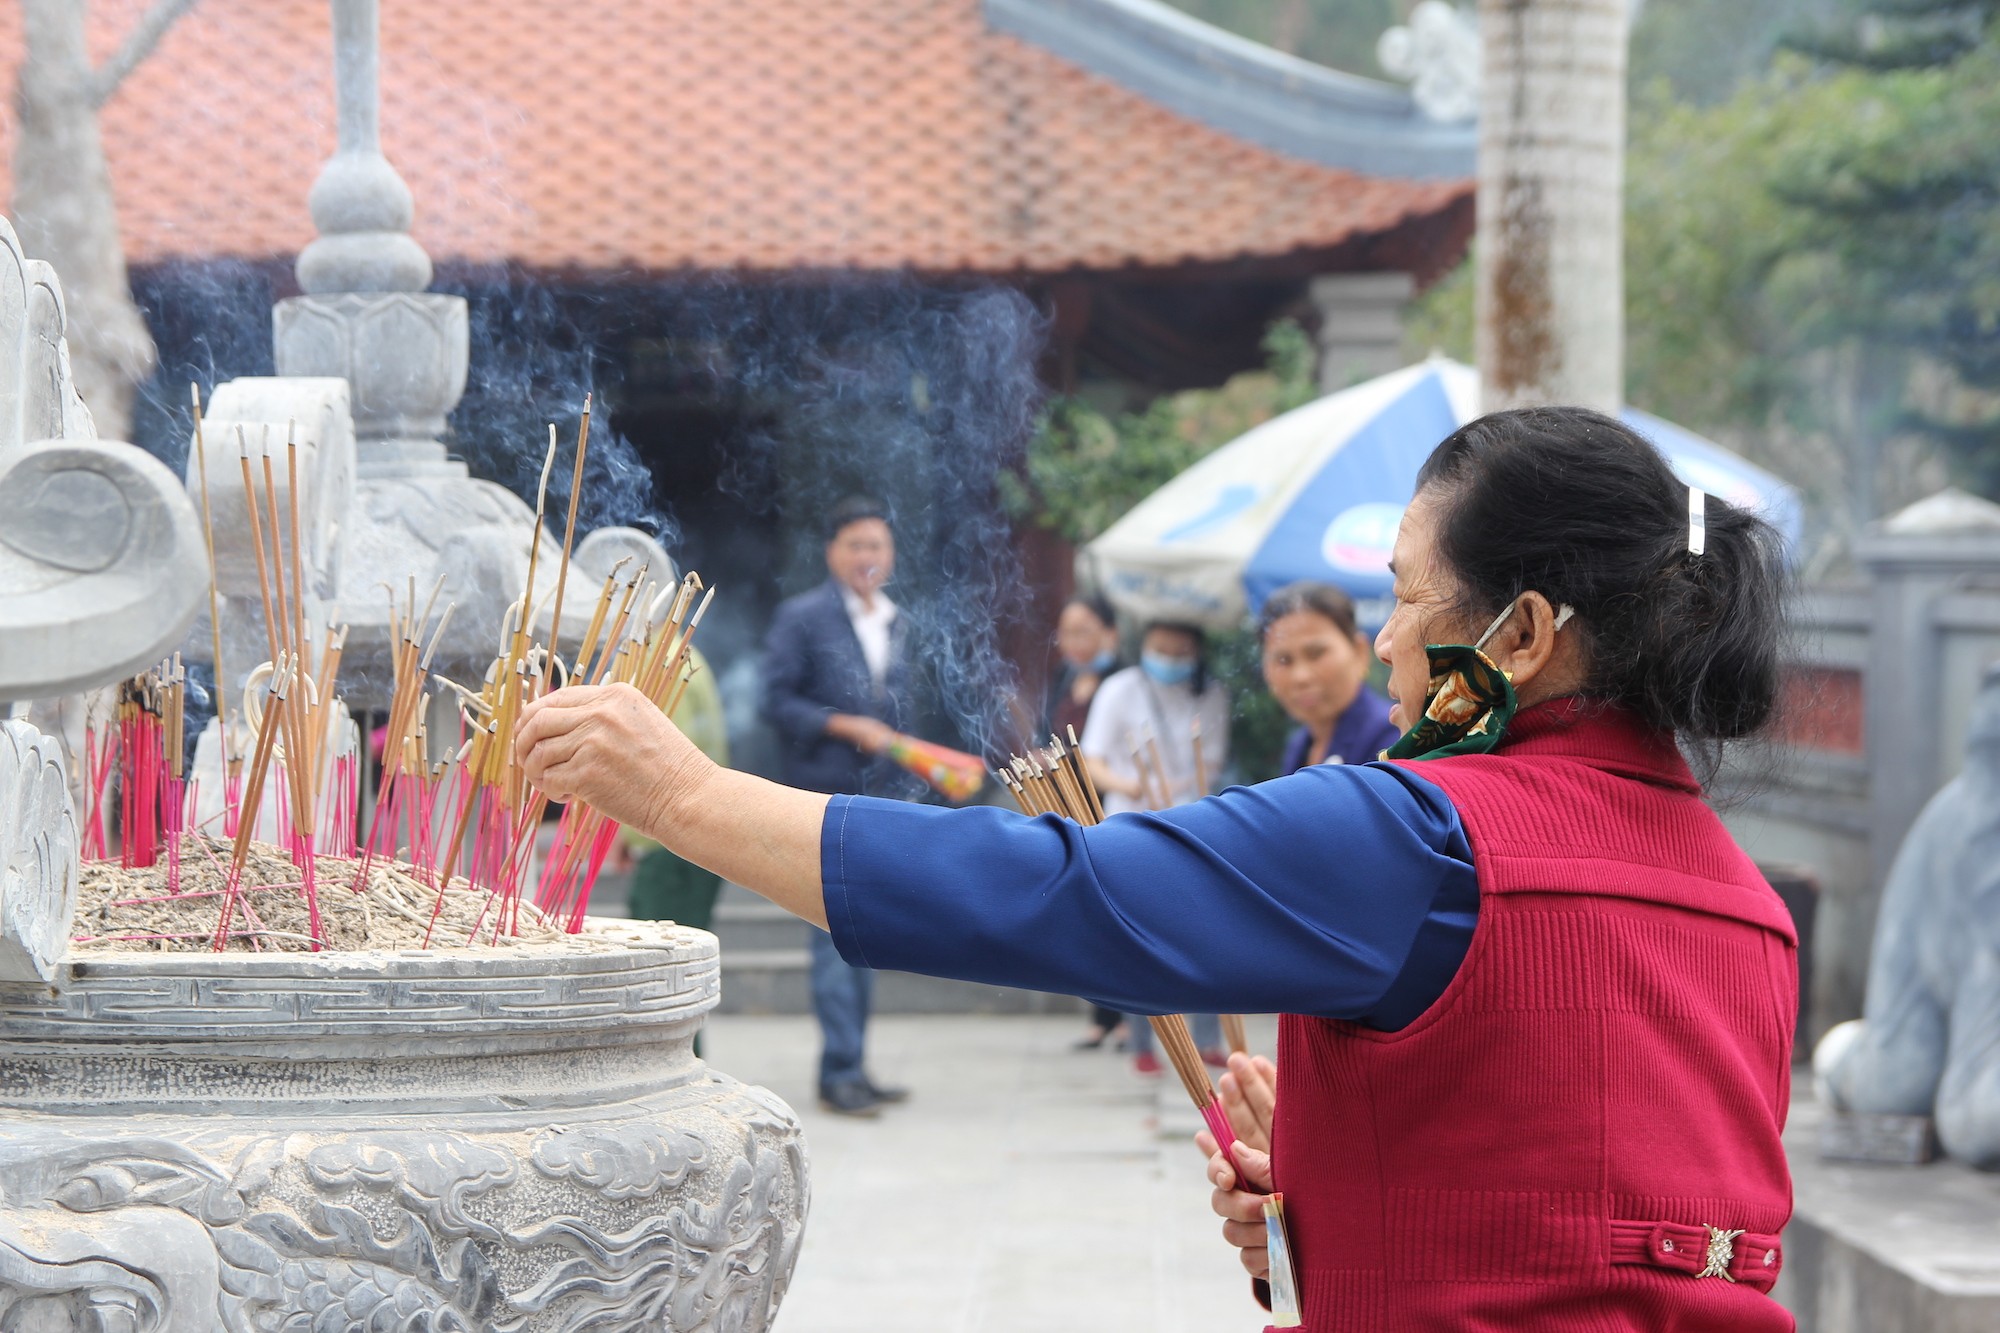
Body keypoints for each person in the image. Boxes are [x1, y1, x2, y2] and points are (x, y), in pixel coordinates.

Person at [518, 406, 1798, 1330]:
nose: (1386, 642)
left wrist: (684, 793)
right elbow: (1595, 1217)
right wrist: (1338, 1185)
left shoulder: (1417, 835)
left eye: (1405, 597)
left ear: (1520, 632)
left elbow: (1056, 888)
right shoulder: (1751, 909)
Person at [757, 495, 914, 1118]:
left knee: (865, 935)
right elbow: (775, 702)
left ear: (890, 554)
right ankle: (839, 1072)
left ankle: (855, 1065)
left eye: (877, 545)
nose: (867, 557)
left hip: (882, 800)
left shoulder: (899, 621)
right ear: (833, 552)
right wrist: (844, 725)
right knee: (830, 934)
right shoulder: (802, 617)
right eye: (856, 545)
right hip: (822, 798)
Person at [1079, 619, 1231, 1070]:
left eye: (1179, 650)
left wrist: (1184, 788)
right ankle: (1142, 1044)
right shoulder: (1120, 689)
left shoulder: (1212, 692)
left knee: (1204, 933)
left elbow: (1214, 758)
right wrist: (1134, 785)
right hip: (1129, 822)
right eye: (1160, 648)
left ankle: (1206, 1040)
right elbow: (1092, 760)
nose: (1169, 658)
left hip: (1192, 821)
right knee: (1137, 937)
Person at [1044, 593, 1126, 1051]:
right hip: (1067, 806)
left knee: (1118, 909)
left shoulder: (1122, 680)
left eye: (1083, 632)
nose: (1072, 643)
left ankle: (1131, 1019)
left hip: (1110, 807)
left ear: (1109, 634)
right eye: (1067, 633)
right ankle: (1101, 1016)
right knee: (1085, 915)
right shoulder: (1065, 678)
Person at [1258, 581, 1402, 774]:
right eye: (1283, 660)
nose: (1301, 677)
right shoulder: (1299, 747)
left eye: (1316, 654)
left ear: (1359, 652)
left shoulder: (1391, 739)